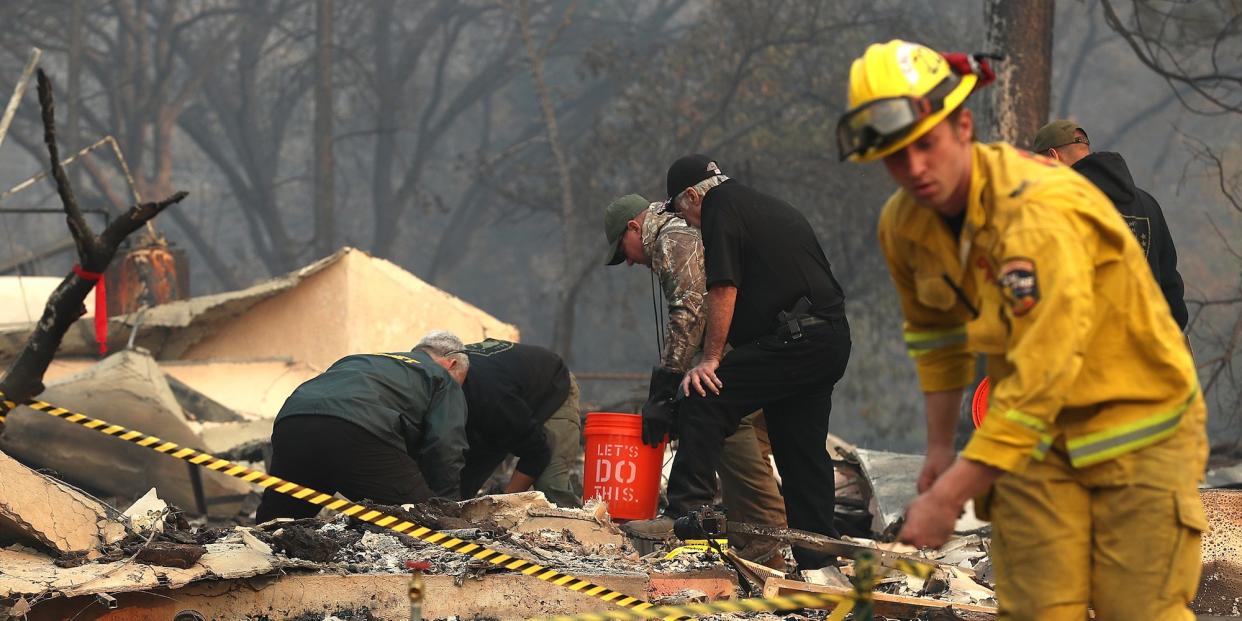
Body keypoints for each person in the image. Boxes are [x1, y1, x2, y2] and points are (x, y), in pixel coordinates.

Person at [838, 40, 1206, 619]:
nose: (914, 171)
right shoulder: (906, 224)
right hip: (1036, 439)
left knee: (1136, 608)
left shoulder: (1037, 209)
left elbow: (1046, 374)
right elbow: (937, 339)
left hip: (1137, 425)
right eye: (894, 157)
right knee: (1037, 608)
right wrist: (938, 449)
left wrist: (952, 492)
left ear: (962, 126)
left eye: (925, 146)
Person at [626, 154, 852, 571]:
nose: (687, 223)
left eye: (682, 212)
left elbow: (722, 286)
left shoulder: (719, 209)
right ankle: (817, 558)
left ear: (692, 196)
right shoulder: (760, 203)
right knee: (798, 449)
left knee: (702, 396)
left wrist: (710, 360)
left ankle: (688, 524)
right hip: (827, 339)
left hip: (796, 339)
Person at [602, 193, 790, 567]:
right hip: (778, 339)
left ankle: (768, 544)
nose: (628, 264)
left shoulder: (672, 235)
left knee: (728, 425)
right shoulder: (687, 227)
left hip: (751, 345)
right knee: (754, 438)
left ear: (634, 228)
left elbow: (689, 310)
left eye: (623, 252)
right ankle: (763, 544)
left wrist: (666, 386)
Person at [254, 331, 470, 522]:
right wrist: (447, 507)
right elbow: (445, 445)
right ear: (451, 364)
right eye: (462, 380)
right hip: (357, 430)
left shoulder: (360, 359)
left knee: (279, 520)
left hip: (292, 421)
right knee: (424, 520)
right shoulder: (441, 377)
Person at [1033, 119, 1189, 329]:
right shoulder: (1148, 205)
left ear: (1053, 157)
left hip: (1092, 348)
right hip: (1148, 347)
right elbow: (1171, 286)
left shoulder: (1064, 206)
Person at [458, 338, 583, 508]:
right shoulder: (438, 392)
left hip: (551, 389)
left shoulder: (494, 400)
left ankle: (579, 527)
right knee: (459, 490)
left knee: (550, 488)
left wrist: (506, 503)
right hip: (504, 391)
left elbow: (536, 452)